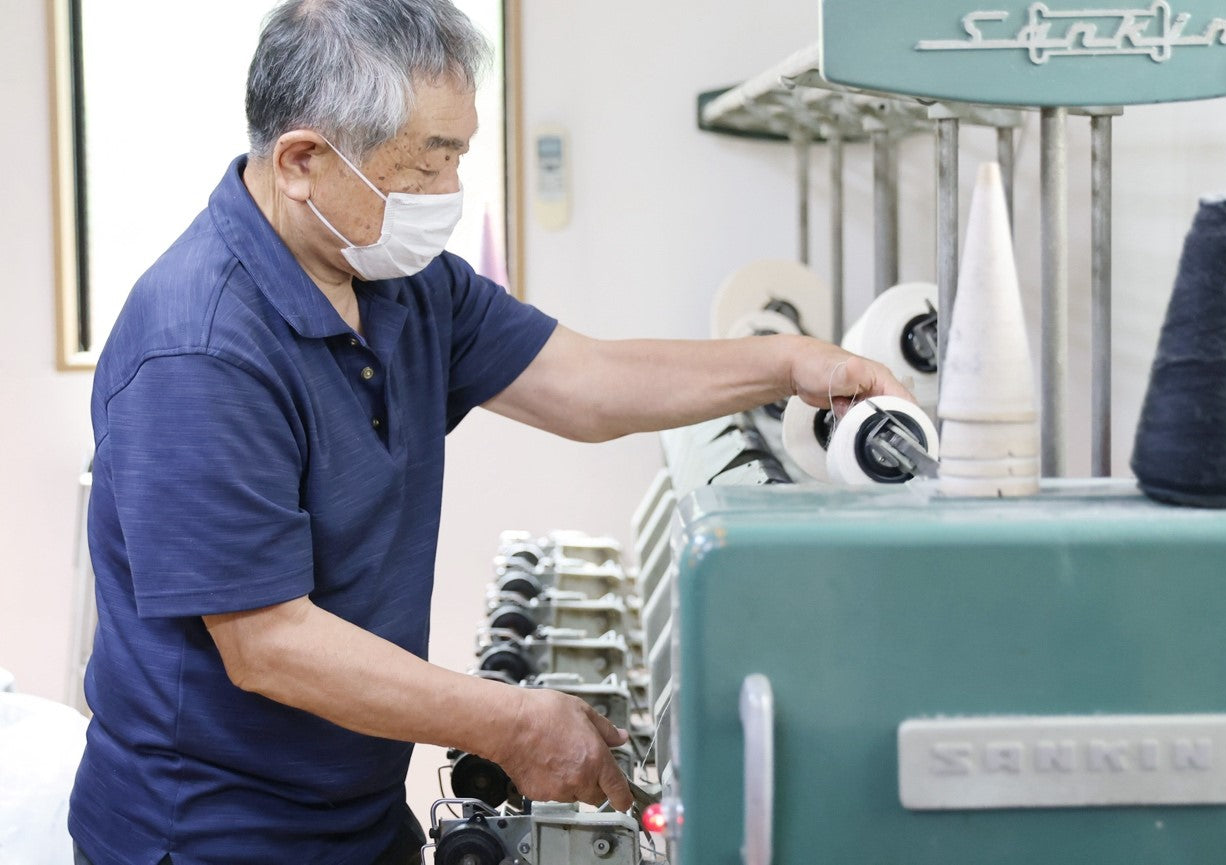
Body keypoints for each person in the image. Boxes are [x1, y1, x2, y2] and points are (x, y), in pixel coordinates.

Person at [66, 1, 911, 863]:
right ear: (302, 161)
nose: (448, 195)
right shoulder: (199, 347)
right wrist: (511, 721)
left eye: (460, 155)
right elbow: (270, 644)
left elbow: (586, 383)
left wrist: (789, 363)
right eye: (427, 164)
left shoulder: (402, 284)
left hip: (354, 815)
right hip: (210, 835)